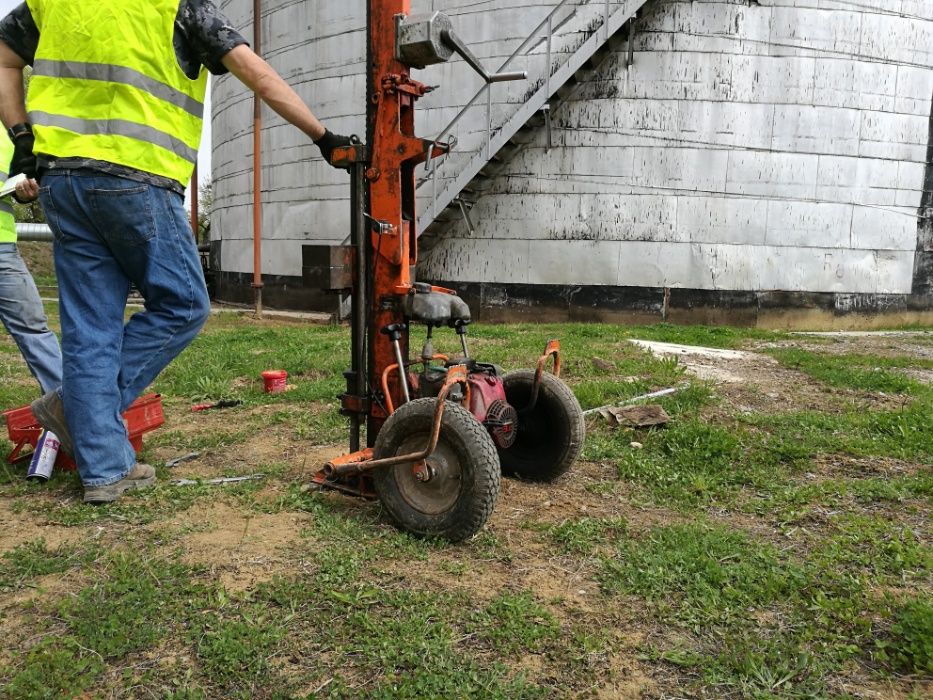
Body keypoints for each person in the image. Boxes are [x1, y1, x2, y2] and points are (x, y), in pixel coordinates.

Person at [0, 1, 350, 504]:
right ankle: (78, 411)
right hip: (134, 179)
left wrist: (21, 138)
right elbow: (259, 74)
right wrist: (321, 135)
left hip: (63, 182)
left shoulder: (50, 2)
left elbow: (5, 58)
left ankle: (104, 471)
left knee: (90, 328)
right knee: (184, 304)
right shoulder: (177, 5)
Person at [0, 130, 62, 395]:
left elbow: (18, 188)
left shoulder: (7, 132)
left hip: (2, 247)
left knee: (34, 328)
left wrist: (26, 192)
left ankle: (71, 410)